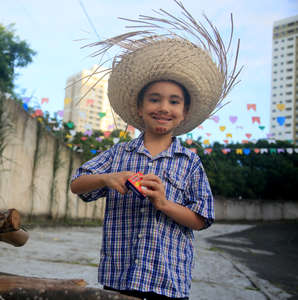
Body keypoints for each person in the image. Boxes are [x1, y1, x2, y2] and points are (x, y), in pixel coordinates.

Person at [70, 2, 241, 299]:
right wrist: (108, 178)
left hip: (168, 280)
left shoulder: (189, 162)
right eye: (154, 99)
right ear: (139, 107)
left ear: (184, 112)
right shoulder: (119, 154)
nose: (164, 107)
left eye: (174, 101)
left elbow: (201, 219)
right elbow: (77, 184)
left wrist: (164, 203)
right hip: (119, 275)